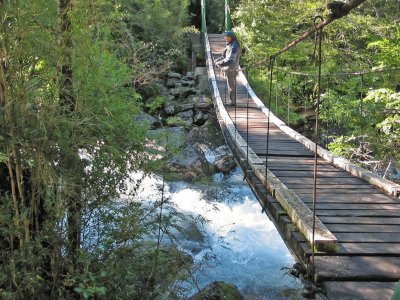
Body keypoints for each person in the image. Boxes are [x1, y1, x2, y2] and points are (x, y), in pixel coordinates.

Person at [215, 30, 241, 105]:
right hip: (229, 69)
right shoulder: (230, 44)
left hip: (232, 69)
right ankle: (232, 100)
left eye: (225, 36)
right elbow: (224, 56)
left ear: (230, 37)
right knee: (230, 84)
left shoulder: (234, 46)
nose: (224, 37)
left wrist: (221, 64)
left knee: (231, 85)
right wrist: (218, 60)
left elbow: (231, 60)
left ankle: (233, 101)